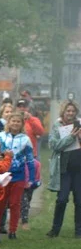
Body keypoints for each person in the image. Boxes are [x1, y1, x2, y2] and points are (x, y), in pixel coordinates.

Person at [0, 112, 36, 241]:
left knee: (14, 203)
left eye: (18, 121)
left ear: (22, 124)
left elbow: (30, 159)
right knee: (0, 203)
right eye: (13, 121)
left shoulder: (25, 139)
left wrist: (31, 178)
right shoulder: (0, 136)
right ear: (8, 122)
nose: (15, 123)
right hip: (2, 174)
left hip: (18, 175)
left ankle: (13, 230)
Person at [46, 101, 81, 238]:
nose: (70, 113)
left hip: (79, 169)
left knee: (79, 201)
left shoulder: (80, 124)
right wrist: (71, 137)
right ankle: (55, 230)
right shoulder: (57, 126)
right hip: (64, 169)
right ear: (63, 112)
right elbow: (55, 145)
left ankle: (79, 231)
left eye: (73, 111)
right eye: (68, 111)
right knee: (61, 199)